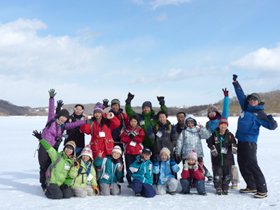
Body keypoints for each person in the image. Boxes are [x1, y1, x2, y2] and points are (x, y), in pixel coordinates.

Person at [232, 74, 278, 198]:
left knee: (252, 165)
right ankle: (251, 186)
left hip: (250, 143)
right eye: (251, 99)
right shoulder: (246, 108)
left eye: (254, 99)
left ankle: (262, 189)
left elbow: (272, 127)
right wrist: (236, 83)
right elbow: (241, 95)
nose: (252, 101)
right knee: (242, 163)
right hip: (240, 141)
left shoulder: (260, 113)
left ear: (258, 101)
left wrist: (271, 120)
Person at [39, 89, 88, 191]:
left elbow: (74, 124)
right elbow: (51, 109)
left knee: (53, 165)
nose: (64, 119)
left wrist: (85, 121)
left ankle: (51, 182)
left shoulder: (63, 126)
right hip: (45, 146)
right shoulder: (51, 120)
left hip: (53, 148)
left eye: (66, 118)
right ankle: (44, 185)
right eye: (62, 117)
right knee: (44, 166)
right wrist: (51, 98)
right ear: (59, 116)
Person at [205, 88, 239, 186]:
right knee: (216, 164)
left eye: (213, 111)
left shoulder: (222, 118)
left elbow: (225, 108)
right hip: (215, 145)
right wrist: (210, 144)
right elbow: (208, 135)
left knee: (230, 165)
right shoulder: (208, 123)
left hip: (226, 144)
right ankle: (218, 181)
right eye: (209, 112)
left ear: (216, 112)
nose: (211, 113)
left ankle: (234, 181)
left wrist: (226, 97)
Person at [33, 130, 76, 199]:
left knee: (68, 195)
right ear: (64, 148)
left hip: (62, 183)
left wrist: (66, 184)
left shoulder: (72, 162)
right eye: (67, 147)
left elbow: (71, 176)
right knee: (58, 196)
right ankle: (46, 190)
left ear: (73, 151)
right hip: (52, 181)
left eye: (71, 148)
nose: (68, 149)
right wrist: (41, 139)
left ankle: (60, 190)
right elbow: (49, 148)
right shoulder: (57, 156)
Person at [207, 117, 237, 195]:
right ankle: (218, 187)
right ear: (219, 125)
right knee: (217, 174)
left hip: (228, 159)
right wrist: (213, 148)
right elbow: (210, 143)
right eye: (221, 124)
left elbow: (234, 143)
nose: (223, 126)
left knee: (227, 175)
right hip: (217, 159)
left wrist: (234, 148)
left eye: (225, 124)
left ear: (227, 126)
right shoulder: (214, 134)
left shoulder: (230, 135)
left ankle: (225, 187)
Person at [107, 98, 129, 183]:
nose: (115, 107)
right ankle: (110, 174)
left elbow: (128, 126)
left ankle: (120, 176)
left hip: (120, 140)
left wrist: (124, 136)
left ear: (119, 106)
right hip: (110, 140)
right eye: (113, 105)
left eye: (116, 105)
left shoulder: (123, 116)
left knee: (120, 158)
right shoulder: (109, 115)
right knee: (110, 157)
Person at [121, 114, 145, 187]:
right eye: (131, 121)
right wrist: (129, 138)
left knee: (137, 167)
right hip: (128, 152)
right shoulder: (126, 130)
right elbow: (123, 139)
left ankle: (137, 180)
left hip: (137, 152)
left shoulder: (140, 129)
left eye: (134, 121)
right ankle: (130, 181)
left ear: (137, 122)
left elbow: (141, 139)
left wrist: (133, 137)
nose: (133, 123)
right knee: (129, 167)